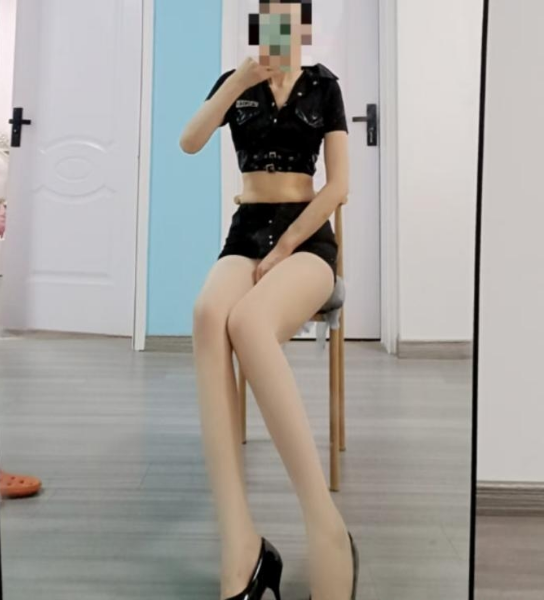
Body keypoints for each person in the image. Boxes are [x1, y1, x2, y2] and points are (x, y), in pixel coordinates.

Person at [180, 1, 358, 599]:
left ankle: (326, 527)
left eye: (288, 21)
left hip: (305, 240)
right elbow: (189, 141)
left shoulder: (323, 86)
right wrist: (236, 82)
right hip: (246, 233)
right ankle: (241, 546)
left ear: (303, 29)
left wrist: (286, 247)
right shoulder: (237, 84)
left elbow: (339, 185)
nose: (277, 33)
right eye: (266, 20)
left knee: (250, 322)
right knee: (209, 315)